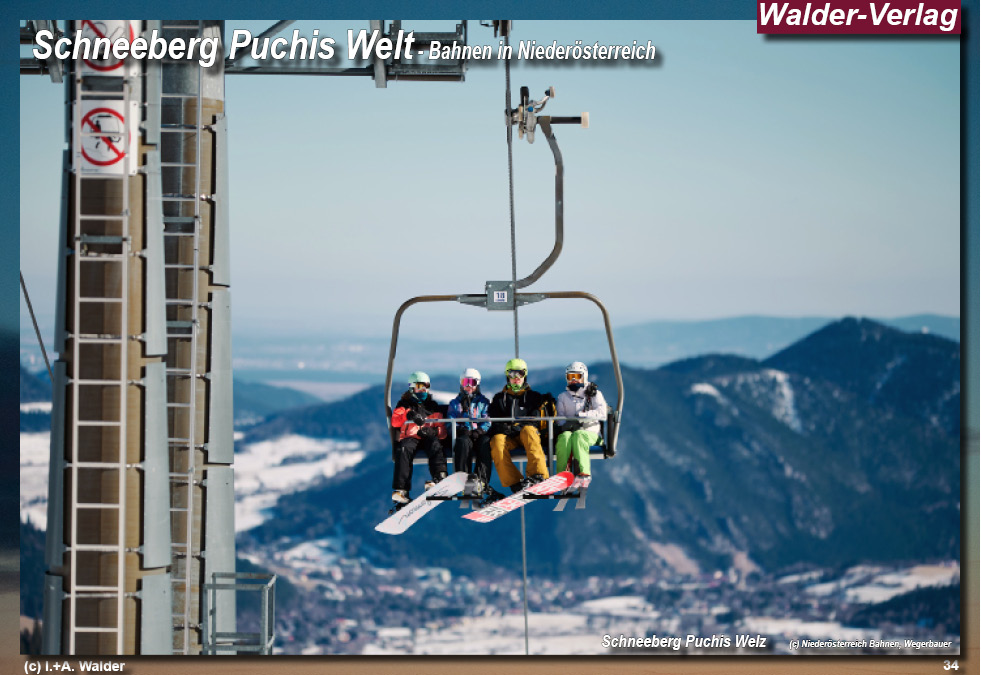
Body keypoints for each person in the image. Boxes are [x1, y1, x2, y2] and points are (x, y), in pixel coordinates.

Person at [487, 358, 550, 493]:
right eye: (512, 374)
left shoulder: (533, 397)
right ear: (507, 376)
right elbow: (494, 420)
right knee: (497, 441)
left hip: (527, 435)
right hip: (510, 437)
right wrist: (505, 428)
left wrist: (517, 425)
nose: (516, 378)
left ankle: (537, 475)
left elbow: (534, 419)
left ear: (525, 375)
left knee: (528, 430)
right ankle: (515, 483)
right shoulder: (499, 399)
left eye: (520, 374)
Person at [390, 371, 447, 505]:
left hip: (428, 436)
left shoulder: (432, 406)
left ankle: (439, 478)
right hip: (411, 436)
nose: (423, 390)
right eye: (420, 386)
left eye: (426, 386)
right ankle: (401, 490)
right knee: (403, 449)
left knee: (435, 444)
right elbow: (395, 421)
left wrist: (433, 431)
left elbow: (442, 428)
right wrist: (408, 415)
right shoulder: (404, 404)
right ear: (412, 388)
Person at [447, 368, 496, 497]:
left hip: (478, 434)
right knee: (462, 443)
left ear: (477, 384)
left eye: (471, 383)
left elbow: (487, 419)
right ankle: (464, 481)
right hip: (464, 434)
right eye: (465, 382)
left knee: (486, 443)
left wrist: (480, 430)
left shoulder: (483, 402)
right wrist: (459, 429)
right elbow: (450, 420)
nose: (468, 386)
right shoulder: (455, 403)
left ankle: (481, 481)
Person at [555, 361, 607, 484]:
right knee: (564, 437)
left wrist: (582, 417)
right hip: (570, 432)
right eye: (570, 377)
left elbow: (602, 412)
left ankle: (583, 473)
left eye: (577, 376)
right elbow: (559, 416)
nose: (573, 380)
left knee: (579, 435)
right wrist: (565, 424)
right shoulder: (563, 397)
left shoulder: (593, 394)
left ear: (584, 376)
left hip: (590, 434)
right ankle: (563, 474)